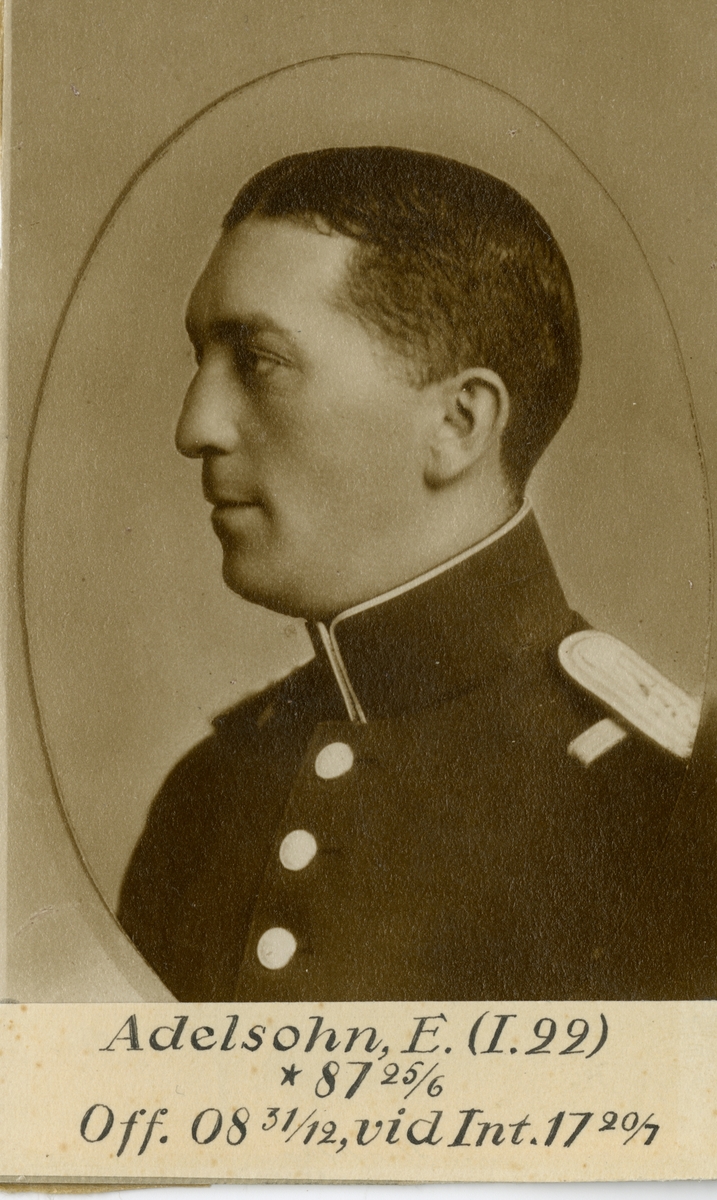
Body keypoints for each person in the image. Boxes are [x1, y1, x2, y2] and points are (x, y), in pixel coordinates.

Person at [118, 146, 701, 1002]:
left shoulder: (666, 817)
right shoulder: (207, 798)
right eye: (200, 357)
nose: (194, 425)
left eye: (258, 361)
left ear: (458, 423)